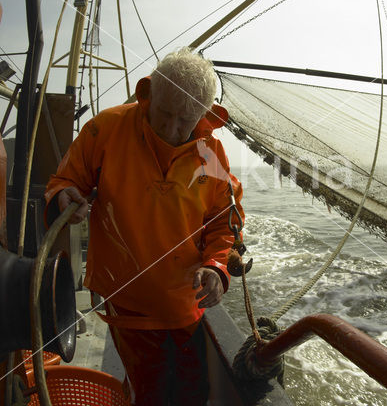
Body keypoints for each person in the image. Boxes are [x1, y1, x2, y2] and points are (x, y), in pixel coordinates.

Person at [45, 48, 244, 405]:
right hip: (126, 304)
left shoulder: (211, 155)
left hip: (185, 305)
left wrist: (217, 267)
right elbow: (63, 180)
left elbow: (224, 223)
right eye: (163, 114)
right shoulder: (105, 129)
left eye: (185, 120)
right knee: (150, 390)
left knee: (192, 390)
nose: (171, 129)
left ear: (203, 116)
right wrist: (64, 195)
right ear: (147, 95)